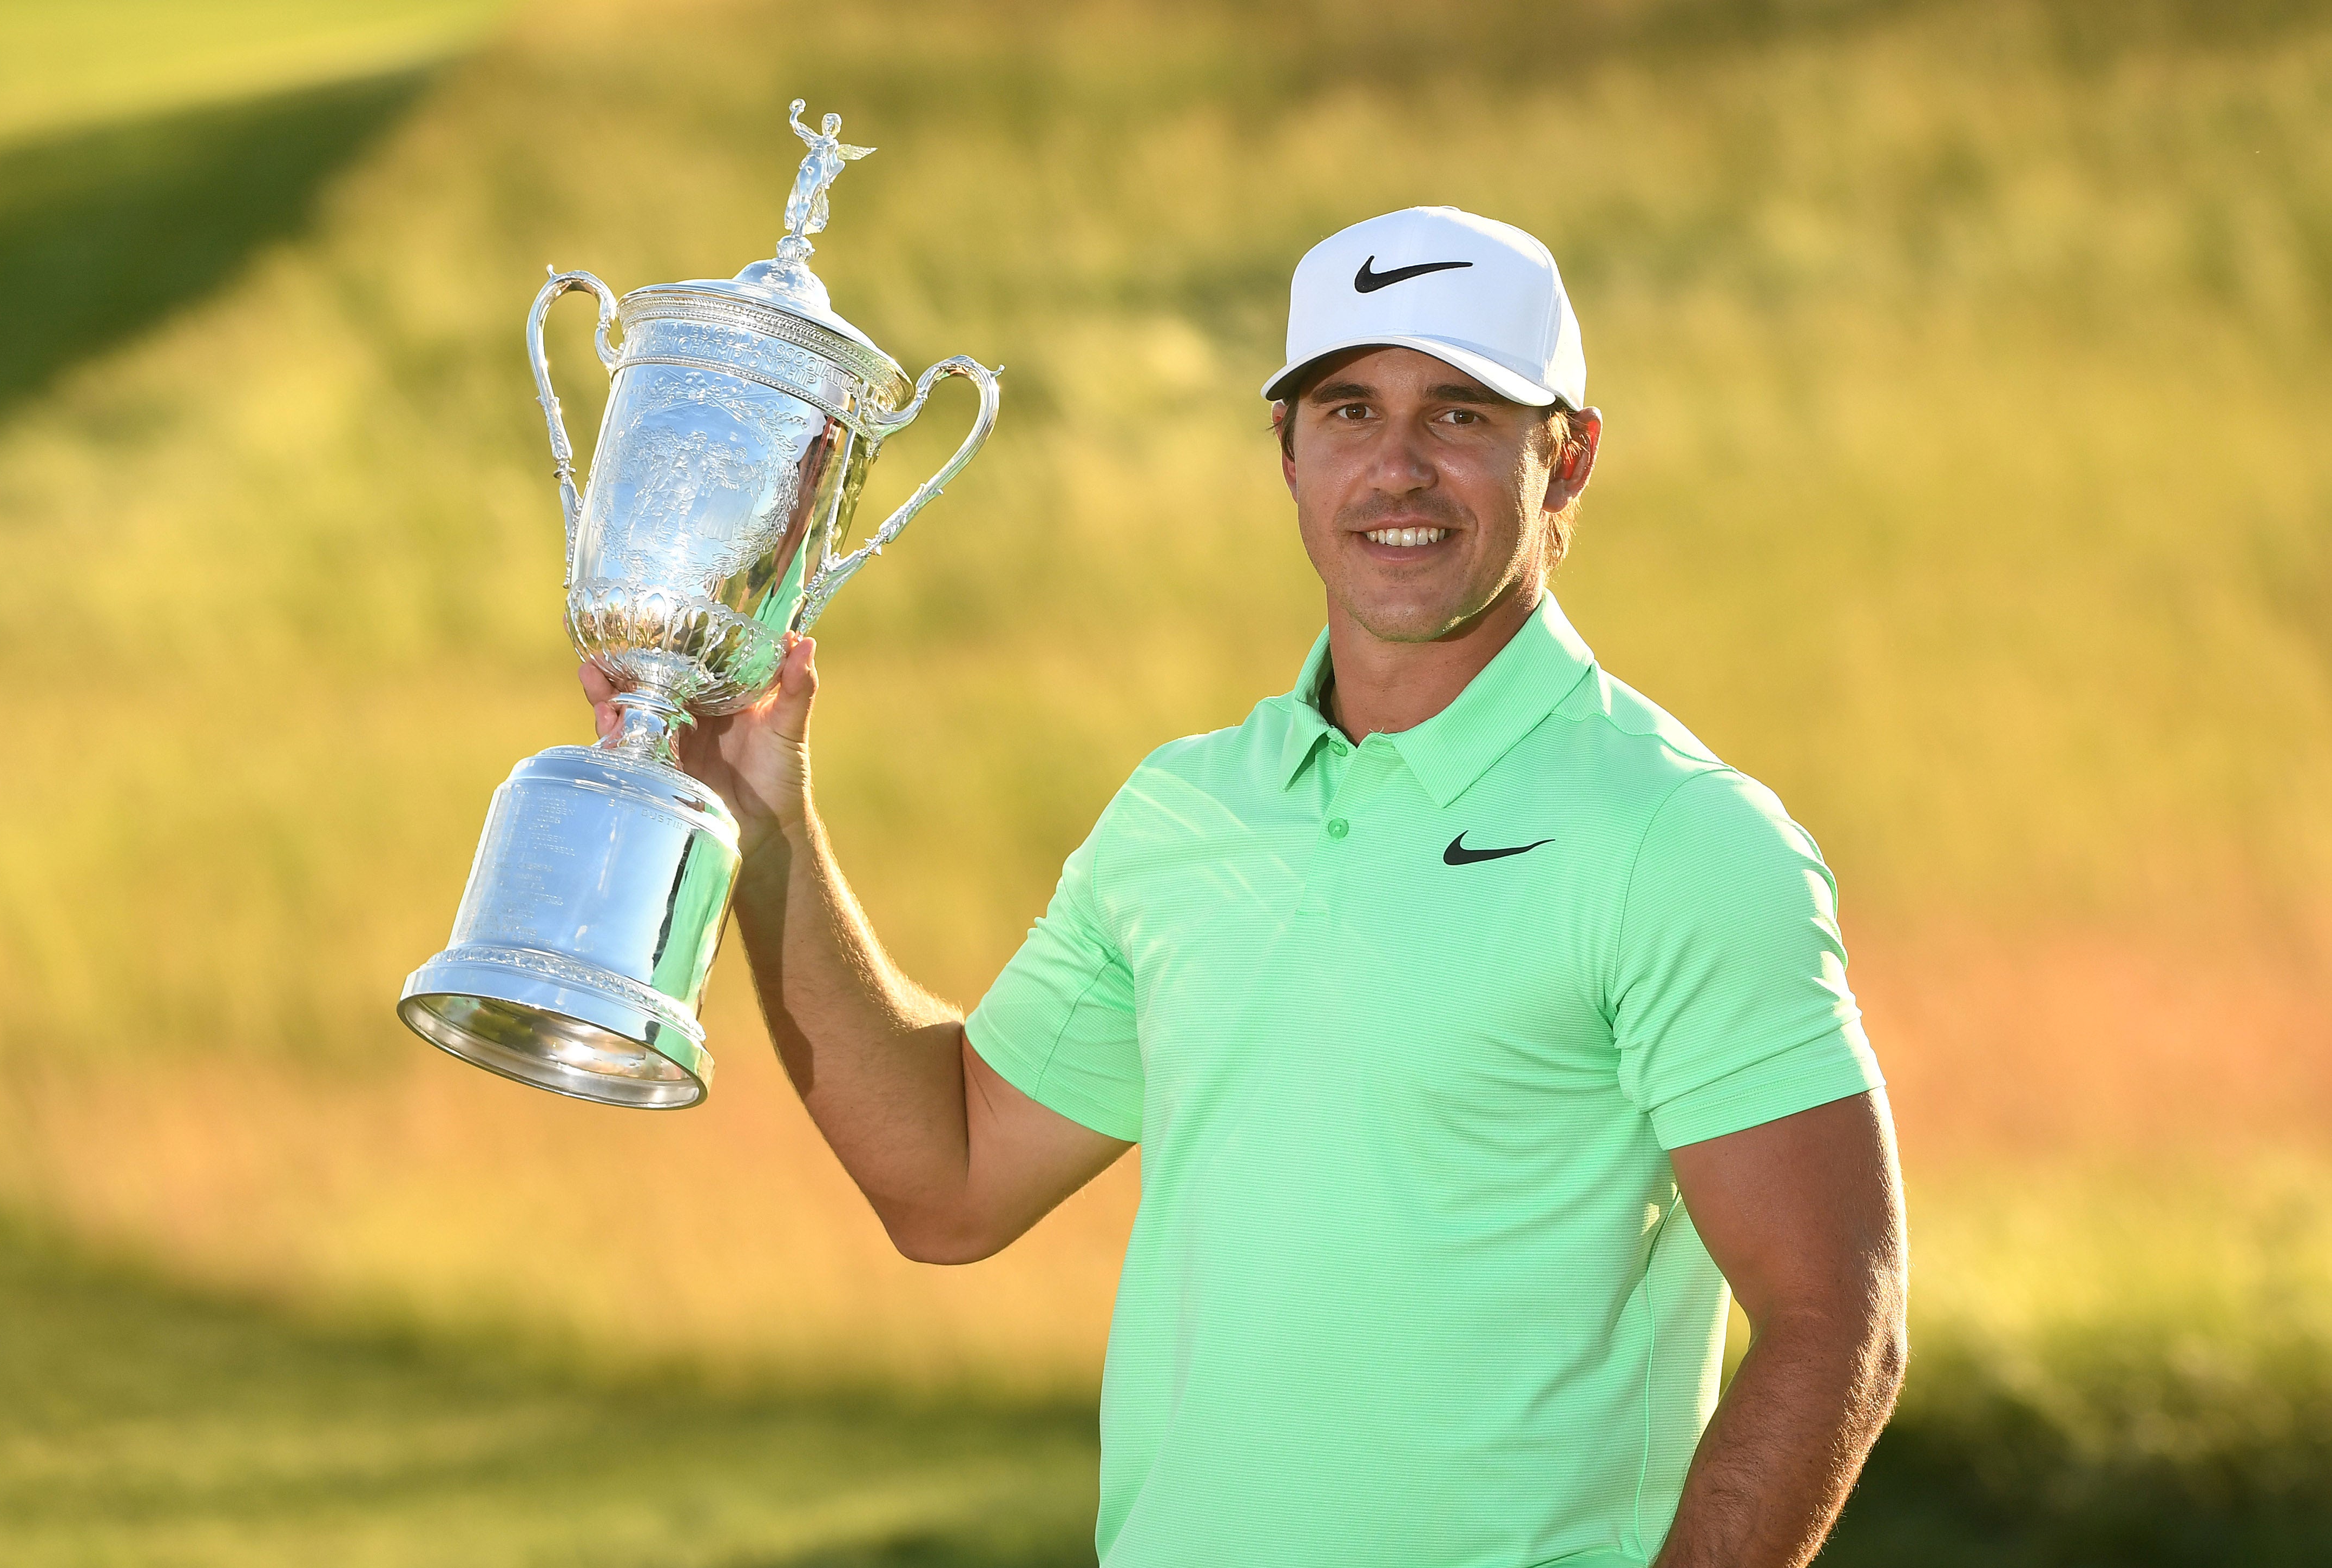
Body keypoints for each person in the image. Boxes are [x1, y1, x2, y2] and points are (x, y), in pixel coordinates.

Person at [582, 206, 1909, 1568]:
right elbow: (951, 1183)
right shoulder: (1185, 808)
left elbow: (1835, 1326)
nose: (1395, 469)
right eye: (1348, 411)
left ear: (1564, 459)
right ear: (1286, 451)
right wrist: (760, 804)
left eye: (1459, 416)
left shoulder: (1679, 836)